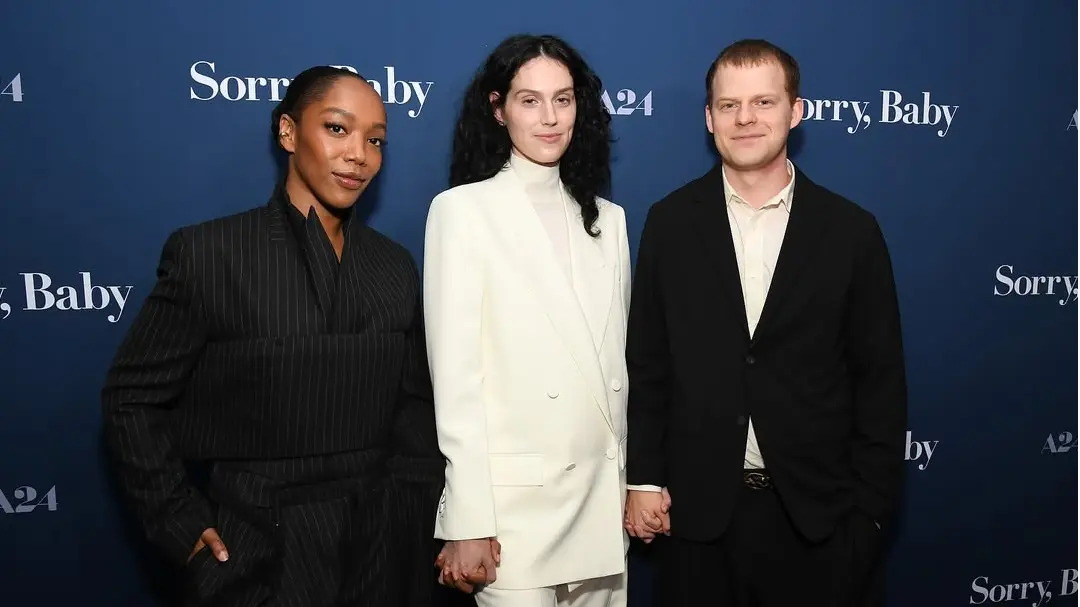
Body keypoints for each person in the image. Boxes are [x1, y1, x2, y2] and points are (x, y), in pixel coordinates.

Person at [100, 65, 444, 607]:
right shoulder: (210, 254)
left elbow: (414, 411)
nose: (359, 154)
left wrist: (431, 528)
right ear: (287, 131)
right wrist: (177, 520)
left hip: (380, 549)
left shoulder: (394, 266)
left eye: (375, 140)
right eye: (337, 128)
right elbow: (131, 400)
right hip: (254, 549)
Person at [623, 39, 908, 607]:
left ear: (796, 111)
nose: (746, 118)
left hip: (821, 524)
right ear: (709, 119)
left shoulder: (851, 231)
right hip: (698, 524)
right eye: (728, 106)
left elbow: (881, 383)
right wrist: (644, 479)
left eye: (764, 102)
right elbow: (648, 363)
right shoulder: (670, 223)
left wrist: (869, 519)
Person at [423, 33, 631, 607]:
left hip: (600, 511)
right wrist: (466, 518)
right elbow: (457, 379)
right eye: (529, 100)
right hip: (513, 518)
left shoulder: (610, 222)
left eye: (563, 100)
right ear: (498, 109)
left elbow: (615, 369)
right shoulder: (463, 212)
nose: (549, 118)